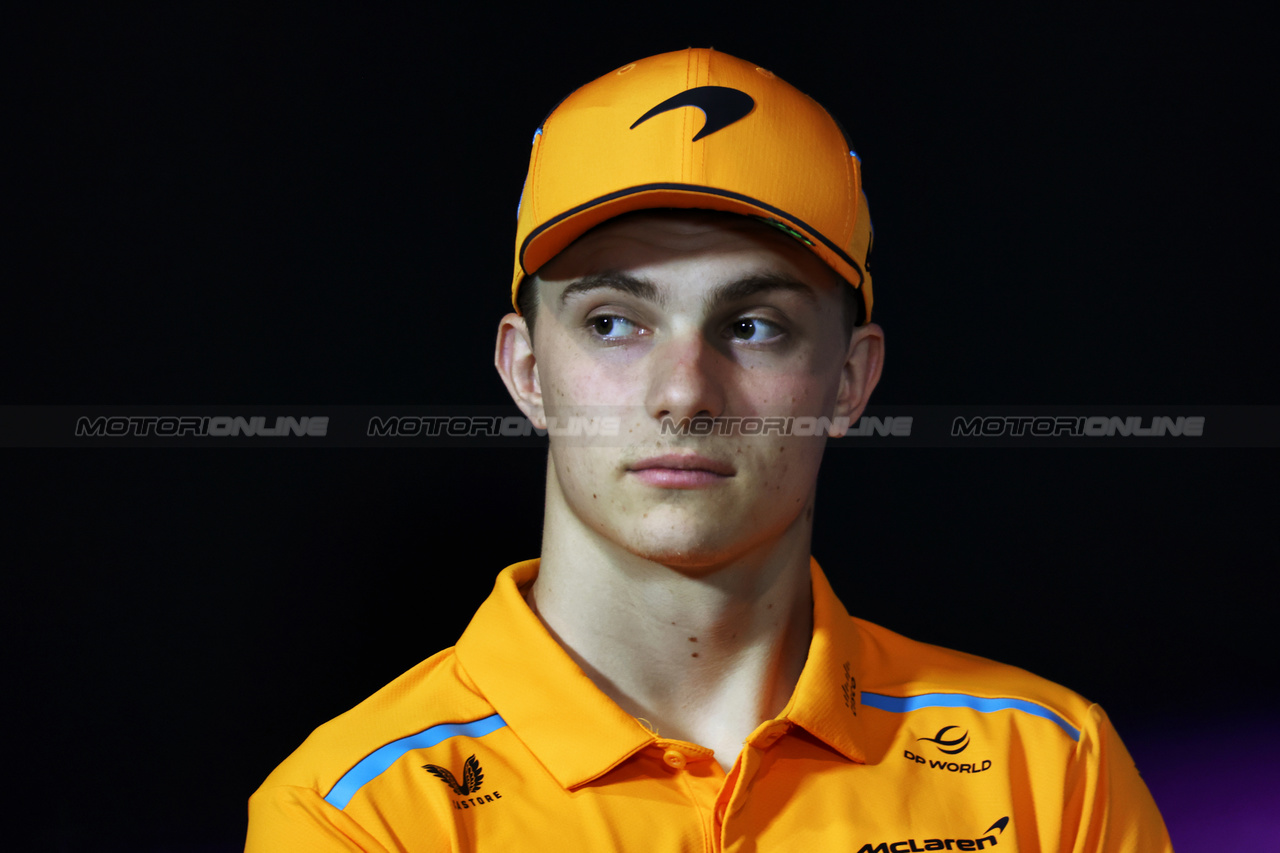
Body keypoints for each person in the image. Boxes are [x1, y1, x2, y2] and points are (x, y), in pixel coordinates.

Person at [246, 48, 1172, 852]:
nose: (684, 392)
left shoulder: (1047, 770)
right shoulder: (360, 814)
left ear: (849, 381)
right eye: (613, 322)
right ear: (528, 371)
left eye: (756, 325)